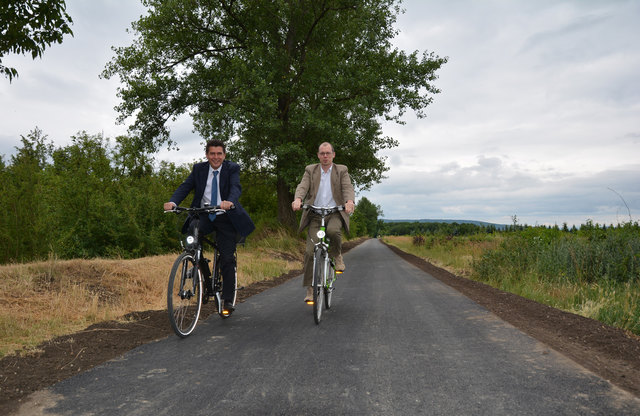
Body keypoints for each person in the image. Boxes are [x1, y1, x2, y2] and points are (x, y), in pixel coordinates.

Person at [164, 139, 255, 314]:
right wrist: (173, 201)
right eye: (212, 154)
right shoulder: (199, 169)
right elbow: (185, 186)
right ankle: (196, 261)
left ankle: (228, 300)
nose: (215, 157)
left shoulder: (232, 168)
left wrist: (229, 201)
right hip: (204, 214)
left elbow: (236, 187)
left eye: (219, 154)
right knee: (193, 232)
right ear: (207, 155)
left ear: (224, 155)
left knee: (227, 258)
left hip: (225, 216)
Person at [292, 142, 355, 303]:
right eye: (322, 153)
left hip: (334, 212)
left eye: (328, 153)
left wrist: (349, 201)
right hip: (315, 213)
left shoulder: (341, 170)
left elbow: (347, 188)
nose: (325, 156)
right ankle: (310, 289)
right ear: (318, 155)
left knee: (333, 231)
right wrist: (298, 199)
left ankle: (337, 255)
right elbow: (302, 186)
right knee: (309, 252)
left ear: (333, 154)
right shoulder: (310, 170)